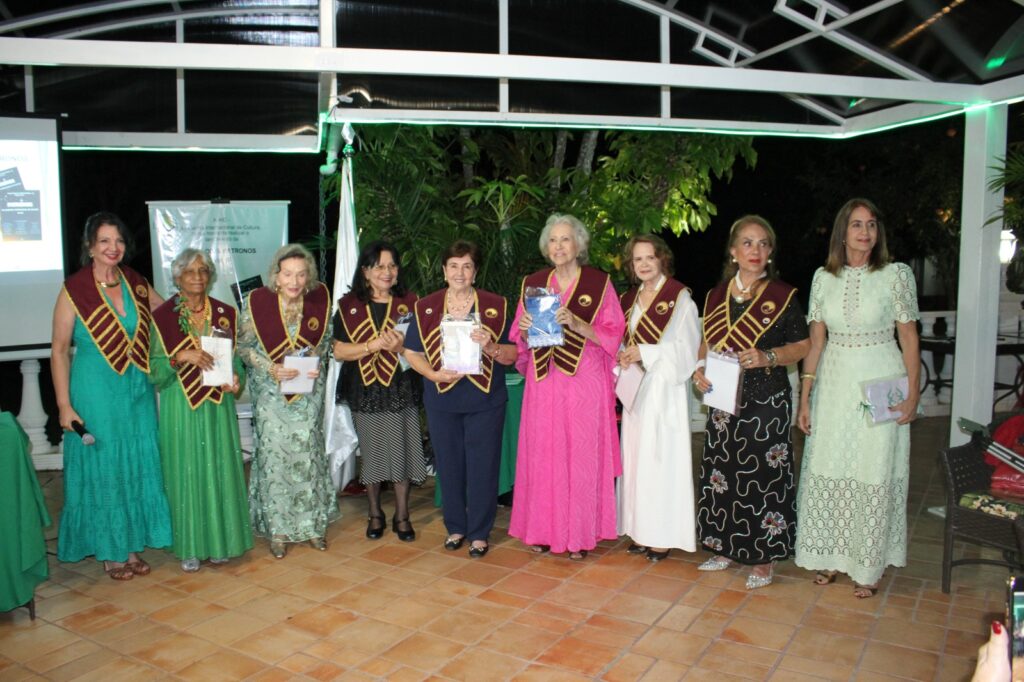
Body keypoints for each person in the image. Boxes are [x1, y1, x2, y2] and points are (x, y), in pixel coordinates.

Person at [795, 198, 921, 598]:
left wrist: (914, 392)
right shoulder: (822, 278)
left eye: (871, 224)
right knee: (831, 464)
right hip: (833, 381)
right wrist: (805, 397)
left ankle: (868, 564)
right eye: (856, 225)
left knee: (873, 468)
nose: (865, 232)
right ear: (842, 232)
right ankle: (830, 555)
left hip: (881, 380)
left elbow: (909, 337)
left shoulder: (896, 275)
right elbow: (815, 344)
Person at [50, 211, 171, 580]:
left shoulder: (135, 282)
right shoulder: (74, 289)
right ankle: (111, 551)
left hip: (135, 389)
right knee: (105, 464)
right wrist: (63, 405)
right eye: (104, 241)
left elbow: (167, 314)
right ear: (89, 246)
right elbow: (58, 350)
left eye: (118, 241)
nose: (112, 248)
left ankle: (131, 544)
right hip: (95, 390)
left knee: (135, 463)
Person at [692, 215, 810, 589]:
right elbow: (706, 344)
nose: (755, 250)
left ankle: (763, 556)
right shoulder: (715, 295)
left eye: (762, 243)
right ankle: (723, 546)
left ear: (770, 251)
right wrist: (699, 369)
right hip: (724, 398)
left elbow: (803, 346)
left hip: (767, 400)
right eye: (747, 242)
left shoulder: (784, 296)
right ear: (733, 250)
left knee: (764, 476)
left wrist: (767, 356)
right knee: (722, 473)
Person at [509, 214, 626, 561]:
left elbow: (614, 331)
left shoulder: (598, 283)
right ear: (547, 247)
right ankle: (544, 530)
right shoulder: (533, 284)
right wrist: (527, 328)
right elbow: (518, 336)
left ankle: (580, 534)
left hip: (584, 382)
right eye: (553, 240)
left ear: (579, 244)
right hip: (544, 384)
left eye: (566, 239)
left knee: (581, 456)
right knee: (544, 454)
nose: (559, 246)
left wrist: (578, 323)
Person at [404, 240, 516, 558]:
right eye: (453, 265)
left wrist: (492, 346)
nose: (460, 272)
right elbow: (412, 352)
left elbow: (513, 354)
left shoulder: (497, 306)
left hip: (484, 400)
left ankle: (479, 533)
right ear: (443, 271)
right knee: (449, 466)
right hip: (442, 398)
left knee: (483, 466)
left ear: (475, 271)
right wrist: (432, 374)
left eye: (467, 266)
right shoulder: (426, 307)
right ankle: (455, 527)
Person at [150, 248, 253, 572]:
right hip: (181, 406)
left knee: (220, 468)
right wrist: (182, 356)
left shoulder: (225, 313)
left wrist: (236, 378)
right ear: (177, 277)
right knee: (187, 471)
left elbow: (235, 360)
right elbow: (154, 370)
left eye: (203, 271)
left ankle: (221, 541)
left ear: (210, 277)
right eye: (190, 271)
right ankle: (191, 545)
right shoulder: (163, 317)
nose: (197, 277)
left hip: (217, 407)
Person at [238, 243, 339, 558]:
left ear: (308, 276)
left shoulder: (317, 300)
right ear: (276, 277)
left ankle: (311, 527)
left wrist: (316, 359)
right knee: (275, 459)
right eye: (288, 275)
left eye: (301, 274)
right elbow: (243, 347)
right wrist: (271, 368)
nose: (294, 281)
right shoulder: (258, 303)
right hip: (271, 394)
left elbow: (325, 342)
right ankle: (278, 530)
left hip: (306, 393)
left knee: (307, 456)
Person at [332, 241, 425, 542]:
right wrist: (371, 346)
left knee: (402, 450)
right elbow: (337, 351)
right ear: (366, 271)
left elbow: (421, 347)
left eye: (392, 266)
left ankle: (402, 514)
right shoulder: (348, 306)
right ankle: (375, 513)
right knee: (372, 454)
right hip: (365, 388)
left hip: (401, 386)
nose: (387, 272)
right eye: (379, 266)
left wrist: (401, 347)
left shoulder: (410, 302)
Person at [616, 234, 700, 562]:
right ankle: (639, 530)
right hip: (636, 389)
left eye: (650, 257)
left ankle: (662, 535)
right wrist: (624, 356)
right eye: (638, 260)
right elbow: (623, 342)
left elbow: (687, 349)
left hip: (665, 392)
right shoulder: (628, 300)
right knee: (636, 460)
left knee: (660, 460)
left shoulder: (679, 299)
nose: (644, 264)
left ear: (662, 259)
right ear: (631, 265)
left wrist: (646, 351)